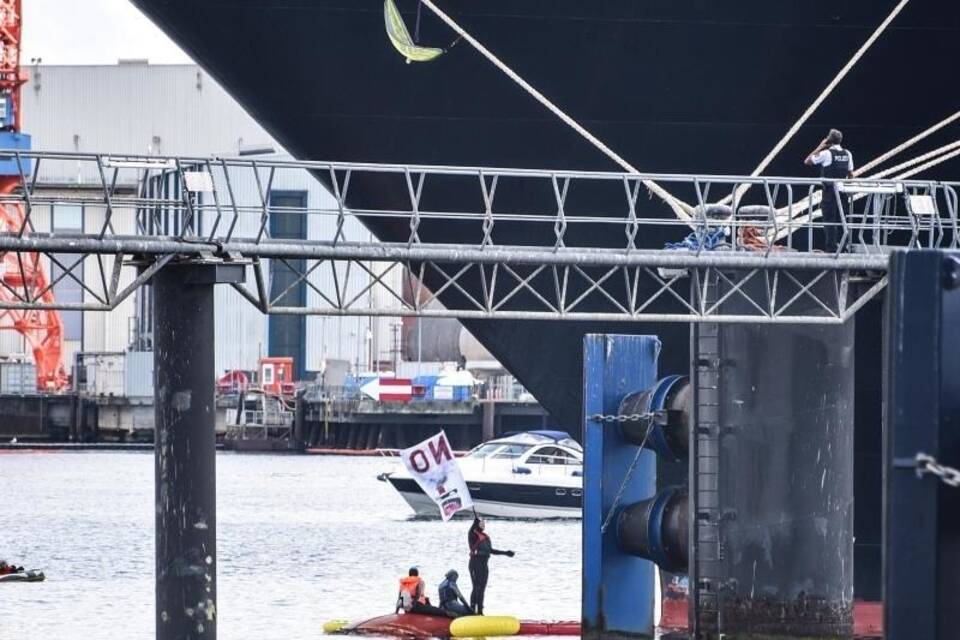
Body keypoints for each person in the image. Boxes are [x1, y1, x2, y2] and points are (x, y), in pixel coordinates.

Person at [804, 128, 854, 252]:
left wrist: (820, 146)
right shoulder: (847, 153)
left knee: (829, 220)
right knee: (843, 220)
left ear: (828, 140)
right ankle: (845, 248)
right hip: (842, 191)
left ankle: (831, 249)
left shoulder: (826, 153)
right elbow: (851, 174)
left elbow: (807, 161)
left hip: (830, 192)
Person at [467, 516, 515, 615]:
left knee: (482, 588)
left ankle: (480, 611)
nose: (483, 525)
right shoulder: (473, 535)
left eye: (484, 523)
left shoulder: (485, 537)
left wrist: (505, 553)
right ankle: (472, 609)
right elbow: (470, 531)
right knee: (476, 587)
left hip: (484, 564)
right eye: (481, 523)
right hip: (475, 563)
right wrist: (474, 523)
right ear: (476, 524)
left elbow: (491, 551)